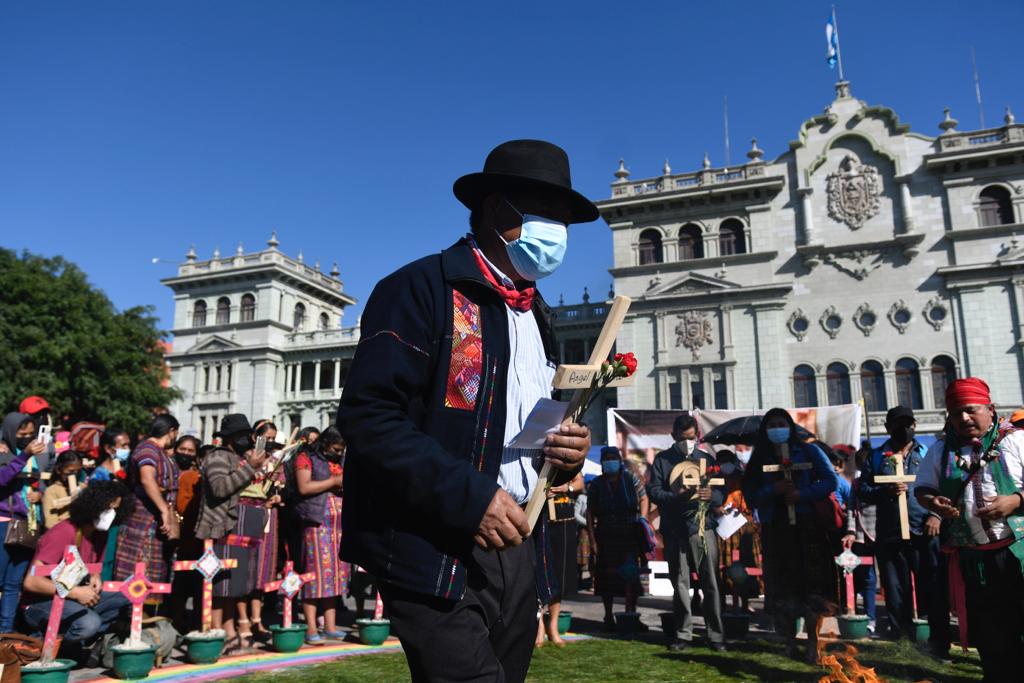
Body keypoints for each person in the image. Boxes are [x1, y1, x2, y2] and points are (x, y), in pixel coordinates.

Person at [338, 139, 593, 682]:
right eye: (551, 216)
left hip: (518, 541)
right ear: (500, 211)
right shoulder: (419, 289)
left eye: (566, 223)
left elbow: (521, 427)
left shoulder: (534, 314)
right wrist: (469, 497)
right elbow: (369, 415)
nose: (560, 237)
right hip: (433, 543)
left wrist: (566, 454)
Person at [914, 378, 1024, 681]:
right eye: (955, 413)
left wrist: (1015, 500)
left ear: (990, 409)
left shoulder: (1016, 441)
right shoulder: (939, 451)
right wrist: (934, 502)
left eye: (970, 410)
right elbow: (923, 489)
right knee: (991, 636)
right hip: (974, 560)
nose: (963, 418)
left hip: (1017, 554)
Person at [743, 408, 839, 662]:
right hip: (776, 527)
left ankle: (812, 641)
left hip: (807, 527)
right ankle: (787, 640)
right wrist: (772, 489)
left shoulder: (809, 452)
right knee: (782, 584)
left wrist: (802, 494)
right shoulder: (760, 458)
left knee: (811, 585)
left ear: (790, 427)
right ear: (765, 430)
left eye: (781, 423)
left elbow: (830, 481)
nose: (777, 428)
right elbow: (750, 495)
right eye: (772, 424)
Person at [21, 480, 132, 664]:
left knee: (126, 596)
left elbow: (95, 567)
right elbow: (31, 582)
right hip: (39, 602)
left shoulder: (100, 535)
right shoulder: (64, 532)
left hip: (72, 596)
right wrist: (75, 593)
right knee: (89, 624)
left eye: (116, 509)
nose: (111, 514)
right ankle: (48, 641)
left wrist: (96, 578)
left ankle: (79, 638)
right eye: (108, 507)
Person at [647, 413, 726, 652]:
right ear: (673, 437)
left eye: (692, 438)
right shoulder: (663, 460)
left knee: (710, 582)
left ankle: (716, 635)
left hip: (703, 527)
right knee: (680, 582)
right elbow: (653, 491)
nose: (688, 442)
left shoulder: (706, 459)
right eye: (683, 438)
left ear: (697, 436)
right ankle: (683, 633)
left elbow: (721, 492)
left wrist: (712, 496)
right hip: (675, 528)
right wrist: (676, 496)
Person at [856, 407, 935, 641]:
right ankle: (900, 634)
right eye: (898, 425)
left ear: (915, 426)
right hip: (890, 531)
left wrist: (936, 516)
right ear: (887, 428)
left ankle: (934, 634)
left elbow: (940, 486)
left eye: (908, 424)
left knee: (929, 582)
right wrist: (885, 490)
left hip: (922, 527)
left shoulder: (927, 453)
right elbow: (864, 490)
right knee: (894, 586)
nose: (904, 429)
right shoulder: (877, 456)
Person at [195, 414, 267, 652]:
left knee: (230, 585)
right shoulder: (217, 457)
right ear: (233, 437)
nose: (248, 439)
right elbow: (219, 488)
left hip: (231, 528)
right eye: (243, 435)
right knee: (219, 585)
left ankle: (227, 628)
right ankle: (217, 631)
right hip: (218, 528)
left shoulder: (234, 457)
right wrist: (250, 469)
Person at [294, 426, 348, 644]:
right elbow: (304, 487)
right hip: (316, 524)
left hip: (338, 527)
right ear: (326, 443)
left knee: (334, 577)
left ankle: (331, 626)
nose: (338, 453)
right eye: (335, 449)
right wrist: (334, 482)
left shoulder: (340, 461)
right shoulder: (305, 458)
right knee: (315, 575)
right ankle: (311, 628)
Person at [113, 414, 180, 589]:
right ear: (171, 431)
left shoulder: (159, 451)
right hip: (143, 519)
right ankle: (132, 615)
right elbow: (147, 479)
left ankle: (147, 615)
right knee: (138, 574)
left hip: (155, 519)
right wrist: (164, 510)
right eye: (176, 434)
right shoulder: (147, 449)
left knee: (154, 573)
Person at [587, 447, 648, 629]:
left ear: (620, 460)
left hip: (630, 533)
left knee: (630, 576)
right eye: (606, 458)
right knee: (607, 579)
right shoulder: (596, 484)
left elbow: (644, 498)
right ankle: (608, 617)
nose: (610, 460)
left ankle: (631, 615)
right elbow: (590, 512)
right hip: (606, 535)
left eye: (613, 457)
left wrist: (643, 518)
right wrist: (592, 540)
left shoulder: (630, 478)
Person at [236, 420, 282, 645]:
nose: (270, 442)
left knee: (261, 568)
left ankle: (257, 619)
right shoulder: (244, 457)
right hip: (246, 511)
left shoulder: (275, 461)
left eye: (274, 438)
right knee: (245, 567)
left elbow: (279, 485)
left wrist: (276, 495)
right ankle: (242, 619)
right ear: (255, 437)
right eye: (267, 438)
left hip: (267, 514)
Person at [0, 412, 47, 631]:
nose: (27, 438)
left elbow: (40, 483)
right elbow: (3, 479)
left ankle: (5, 632)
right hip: (4, 523)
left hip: (27, 525)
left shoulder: (36, 455)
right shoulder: (3, 452)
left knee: (13, 584)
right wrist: (23, 456)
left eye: (30, 434)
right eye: (22, 434)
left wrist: (40, 496)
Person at [537, 472, 583, 648]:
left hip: (565, 524)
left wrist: (566, 487)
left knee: (559, 577)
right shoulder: (538, 460)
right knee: (540, 574)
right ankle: (539, 626)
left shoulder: (568, 463)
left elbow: (580, 482)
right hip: (543, 522)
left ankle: (553, 627)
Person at [715, 449, 762, 613]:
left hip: (744, 527)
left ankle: (745, 602)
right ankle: (720, 602)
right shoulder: (714, 480)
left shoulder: (744, 479)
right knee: (721, 567)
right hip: (723, 529)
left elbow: (752, 499)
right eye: (722, 461)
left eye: (728, 461)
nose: (725, 465)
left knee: (746, 566)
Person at [41, 451, 84, 529]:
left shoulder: (83, 487)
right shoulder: (51, 491)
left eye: (78, 471)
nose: (75, 475)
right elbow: (50, 522)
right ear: (58, 470)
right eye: (71, 471)